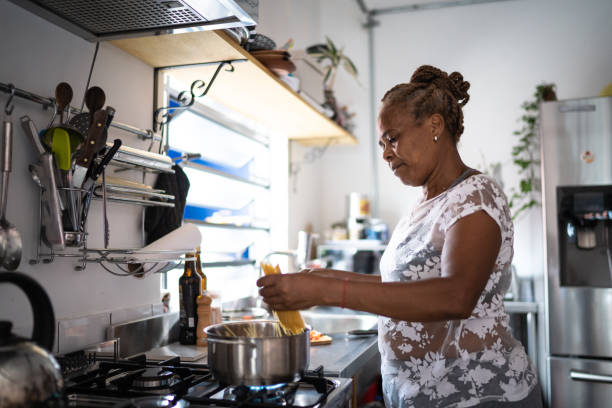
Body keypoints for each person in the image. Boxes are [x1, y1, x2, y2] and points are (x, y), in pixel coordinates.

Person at [257, 65, 541, 407]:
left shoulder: (476, 195)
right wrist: (317, 278)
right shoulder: (424, 204)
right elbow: (397, 283)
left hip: (476, 394)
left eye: (392, 138)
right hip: (419, 393)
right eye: (382, 144)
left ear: (435, 125)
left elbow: (456, 296)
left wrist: (327, 289)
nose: (386, 153)